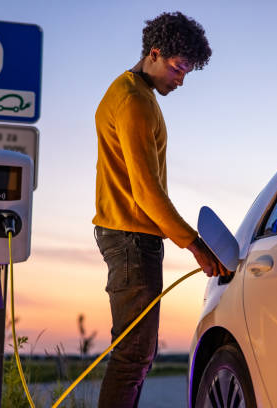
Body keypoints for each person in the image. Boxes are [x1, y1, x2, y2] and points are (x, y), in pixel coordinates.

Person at [92, 11, 227, 407]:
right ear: (154, 53)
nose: (182, 79)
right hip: (132, 238)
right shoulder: (134, 101)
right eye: (178, 67)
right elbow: (147, 194)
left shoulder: (128, 92)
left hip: (127, 235)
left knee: (134, 355)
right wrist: (196, 245)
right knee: (133, 356)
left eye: (188, 71)